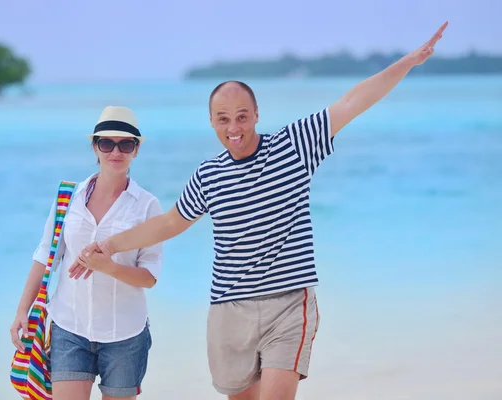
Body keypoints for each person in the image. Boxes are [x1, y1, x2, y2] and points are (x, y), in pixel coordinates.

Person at [68, 22, 448, 400]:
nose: (234, 127)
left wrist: (409, 62)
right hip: (229, 310)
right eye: (223, 118)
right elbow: (170, 222)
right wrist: (110, 244)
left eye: (242, 116)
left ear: (256, 114)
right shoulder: (209, 174)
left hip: (288, 303)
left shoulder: (295, 144)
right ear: (212, 122)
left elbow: (352, 103)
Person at [10, 106, 163, 400]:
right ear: (95, 146)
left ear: (136, 150)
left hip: (125, 335)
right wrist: (22, 310)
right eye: (107, 143)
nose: (115, 151)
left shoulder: (147, 206)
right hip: (69, 328)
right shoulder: (69, 196)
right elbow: (45, 256)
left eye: (126, 144)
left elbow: (149, 277)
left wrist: (106, 266)